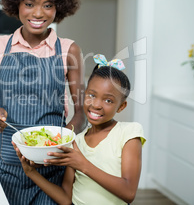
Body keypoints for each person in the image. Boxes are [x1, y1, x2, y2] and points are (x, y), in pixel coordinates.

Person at [0, 0, 87, 204]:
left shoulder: (69, 50)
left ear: (59, 7)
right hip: (7, 167)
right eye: (29, 4)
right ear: (16, 4)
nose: (38, 13)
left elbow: (82, 114)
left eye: (48, 5)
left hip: (52, 168)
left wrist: (66, 135)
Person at [13, 54, 146, 205]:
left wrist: (82, 163)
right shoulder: (76, 142)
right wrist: (30, 172)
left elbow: (129, 193)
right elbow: (65, 198)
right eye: (91, 95)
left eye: (108, 100)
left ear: (121, 106)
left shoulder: (129, 133)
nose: (96, 105)